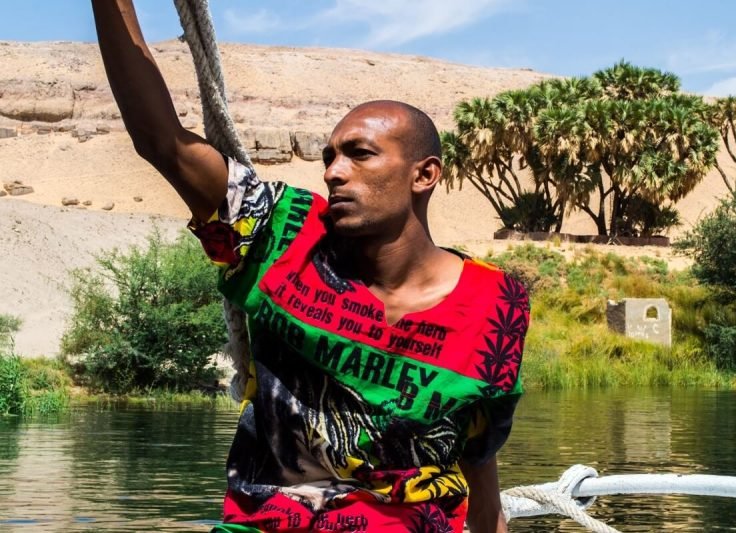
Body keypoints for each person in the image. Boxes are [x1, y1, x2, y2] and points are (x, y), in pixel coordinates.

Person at [92, 2, 529, 532]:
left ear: (424, 174)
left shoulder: (497, 303)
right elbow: (163, 141)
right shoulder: (282, 234)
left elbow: (478, 460)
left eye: (359, 154)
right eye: (328, 157)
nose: (334, 173)